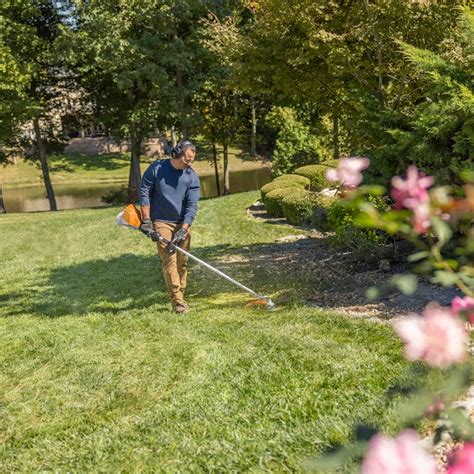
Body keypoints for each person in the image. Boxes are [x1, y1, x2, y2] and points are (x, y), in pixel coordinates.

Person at [139, 140, 200, 314]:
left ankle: (180, 293)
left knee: (182, 262)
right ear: (176, 153)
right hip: (161, 221)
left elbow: (192, 206)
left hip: (182, 222)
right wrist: (146, 220)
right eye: (186, 159)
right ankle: (177, 301)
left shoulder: (191, 176)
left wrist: (184, 229)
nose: (188, 163)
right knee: (169, 260)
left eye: (191, 161)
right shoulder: (157, 169)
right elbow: (144, 191)